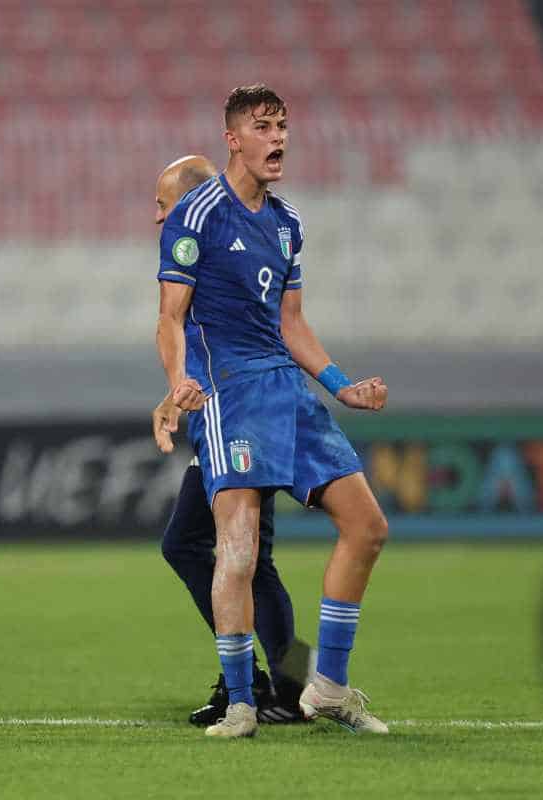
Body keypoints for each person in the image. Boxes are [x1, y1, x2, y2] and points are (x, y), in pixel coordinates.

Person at [156, 84, 390, 738]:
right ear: (234, 138)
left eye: (282, 125)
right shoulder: (198, 213)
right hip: (231, 393)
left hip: (288, 392)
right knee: (237, 548)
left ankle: (324, 685)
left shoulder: (288, 223)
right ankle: (242, 702)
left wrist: (341, 385)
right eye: (264, 126)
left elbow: (292, 324)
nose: (278, 137)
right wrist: (179, 380)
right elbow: (168, 320)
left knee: (368, 526)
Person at [151, 156, 307, 726]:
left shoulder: (209, 243)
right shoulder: (204, 248)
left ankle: (282, 686)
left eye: (163, 204)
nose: (158, 217)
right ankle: (283, 682)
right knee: (205, 549)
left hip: (245, 418)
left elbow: (242, 337)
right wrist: (175, 394)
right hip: (230, 416)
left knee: (240, 557)